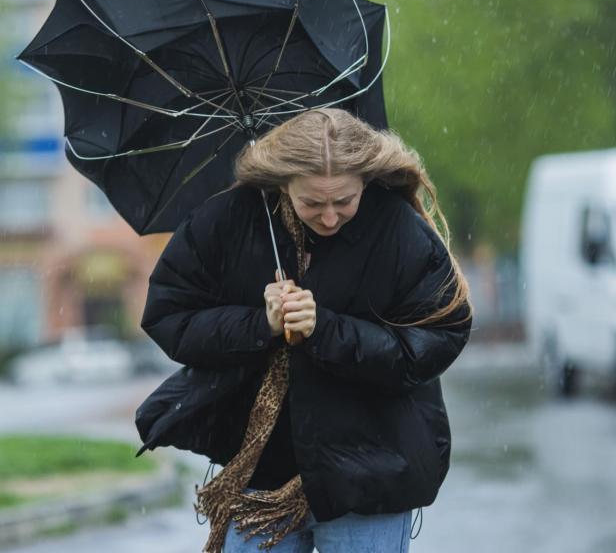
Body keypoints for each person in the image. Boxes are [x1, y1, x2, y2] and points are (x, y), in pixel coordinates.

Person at [136, 108, 472, 553]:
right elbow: (169, 317)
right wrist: (261, 324)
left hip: (368, 477)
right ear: (281, 184)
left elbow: (433, 342)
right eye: (312, 202)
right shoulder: (226, 221)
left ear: (365, 181)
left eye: (345, 201)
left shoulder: (398, 230)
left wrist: (325, 329)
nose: (330, 217)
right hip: (258, 479)